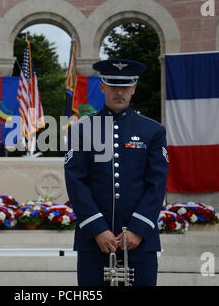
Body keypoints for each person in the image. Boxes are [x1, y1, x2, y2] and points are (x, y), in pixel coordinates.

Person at [64, 59, 168, 286]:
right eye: (113, 86)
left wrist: (138, 230)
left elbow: (157, 184)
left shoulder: (153, 130)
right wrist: (97, 229)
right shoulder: (81, 130)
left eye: (125, 86)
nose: (119, 92)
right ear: (102, 87)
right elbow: (76, 182)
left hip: (141, 243)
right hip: (94, 242)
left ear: (134, 88)